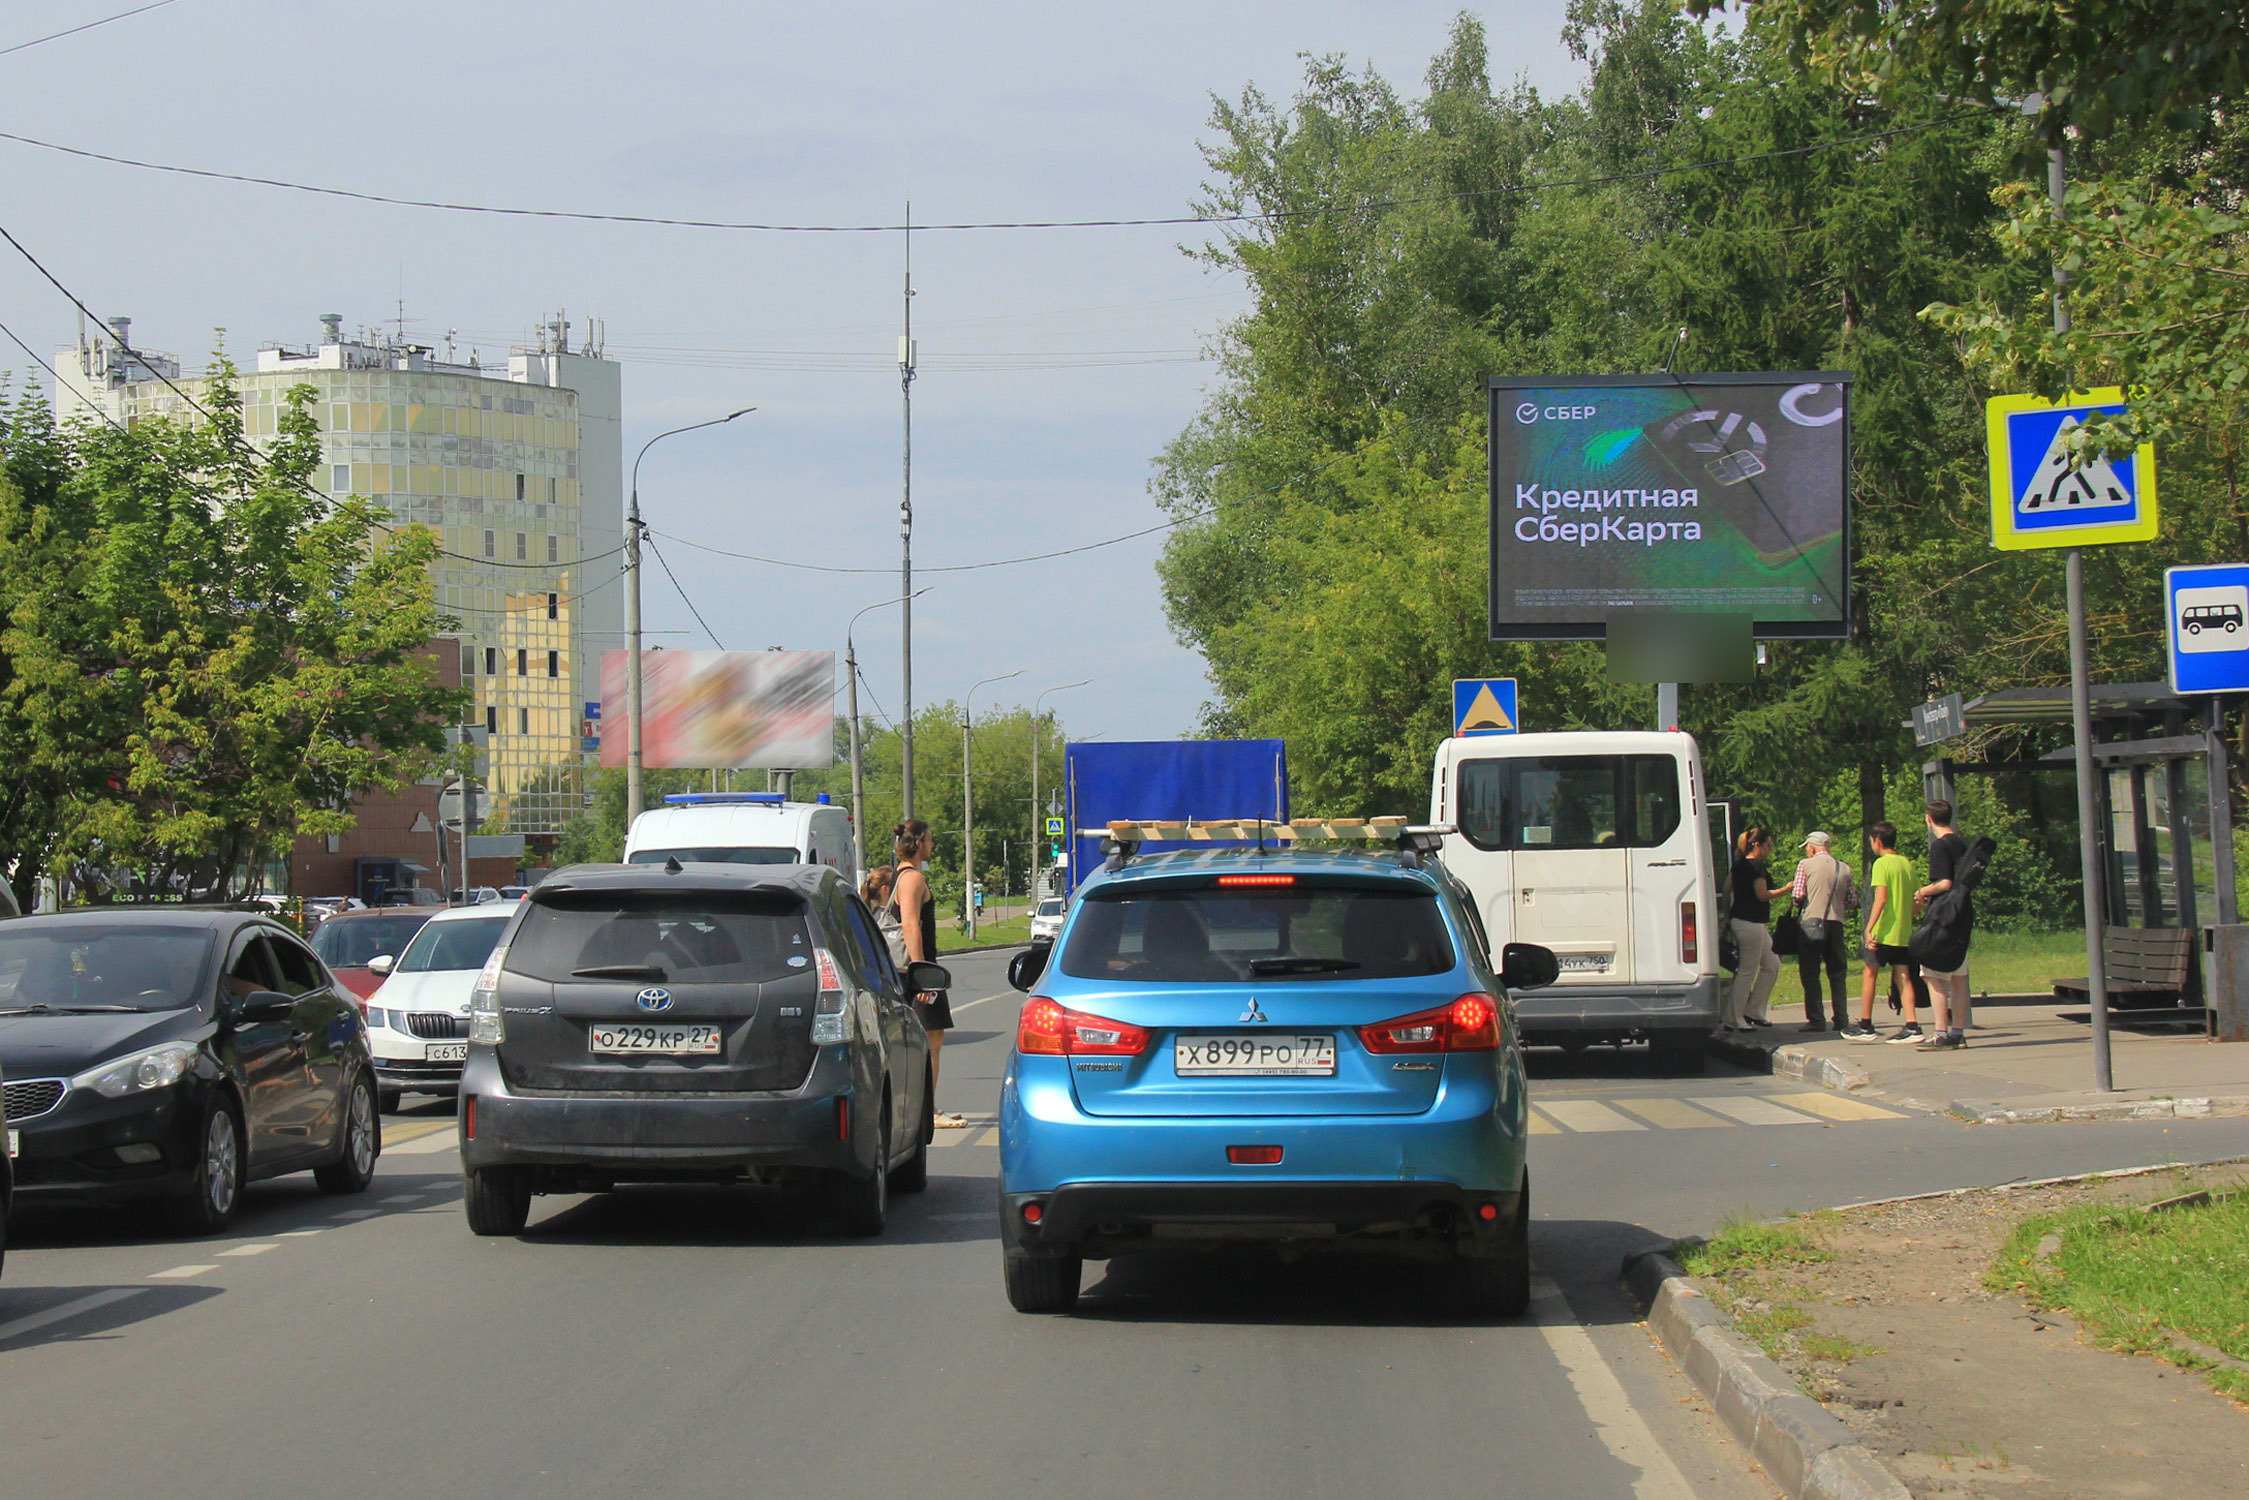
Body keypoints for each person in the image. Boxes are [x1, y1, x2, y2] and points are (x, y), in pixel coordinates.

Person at [890, 820, 966, 1126]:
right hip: (917, 973)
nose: (933, 845)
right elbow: (910, 924)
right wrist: (922, 971)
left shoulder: (899, 876)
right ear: (919, 841)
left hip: (910, 971)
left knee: (922, 1042)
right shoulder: (913, 878)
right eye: (930, 840)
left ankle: (922, 1108)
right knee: (930, 1041)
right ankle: (928, 1112)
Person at [1844, 822, 1924, 1043]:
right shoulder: (1906, 864)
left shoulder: (1881, 864)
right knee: (1903, 976)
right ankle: (1912, 1025)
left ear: (1877, 841)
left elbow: (1881, 897)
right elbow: (1919, 898)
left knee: (1869, 974)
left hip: (1883, 931)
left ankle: (1866, 1025)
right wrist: (1908, 915)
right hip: (1903, 931)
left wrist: (1869, 928)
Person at [1913, 800, 1972, 1051]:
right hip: (1962, 912)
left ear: (1929, 819)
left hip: (1943, 915)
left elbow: (1944, 882)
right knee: (1958, 975)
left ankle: (1940, 1033)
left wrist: (1923, 891)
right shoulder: (1961, 844)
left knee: (1932, 974)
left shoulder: (1939, 846)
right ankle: (1958, 1032)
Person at [1789, 831, 1855, 1031]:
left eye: (1807, 847)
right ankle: (1841, 1018)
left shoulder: (1805, 865)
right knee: (1837, 972)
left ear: (1812, 846)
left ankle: (1816, 1019)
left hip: (1811, 922)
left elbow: (1798, 895)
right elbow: (1852, 900)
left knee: (1810, 972)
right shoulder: (1843, 867)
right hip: (1836, 922)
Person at [1723, 826, 1784, 1031]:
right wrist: (1787, 889)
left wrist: (1727, 916)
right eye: (1768, 845)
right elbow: (1762, 895)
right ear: (1757, 845)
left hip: (1743, 921)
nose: (1770, 849)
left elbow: (1726, 890)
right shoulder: (1756, 867)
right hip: (1751, 923)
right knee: (1747, 971)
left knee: (1772, 964)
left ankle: (1754, 1011)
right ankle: (1734, 1017)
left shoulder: (1738, 865)